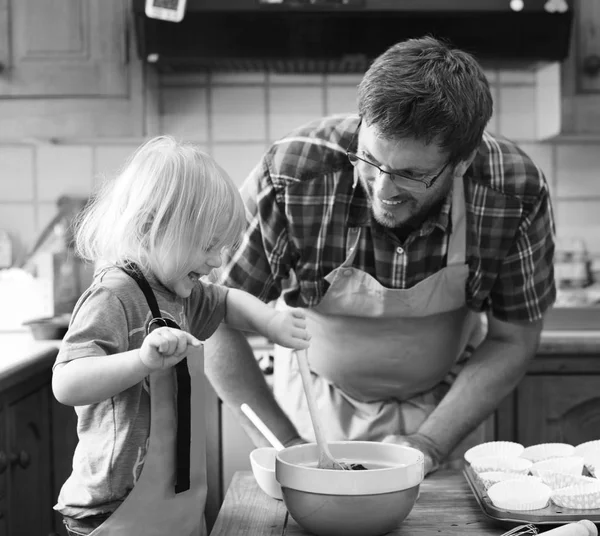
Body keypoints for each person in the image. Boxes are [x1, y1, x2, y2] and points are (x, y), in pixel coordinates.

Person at [204, 36, 556, 475]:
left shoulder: (511, 190)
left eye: (412, 174)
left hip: (448, 410)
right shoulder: (293, 177)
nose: (383, 190)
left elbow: (513, 339)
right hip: (316, 408)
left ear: (463, 161)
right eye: (369, 159)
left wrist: (430, 441)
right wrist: (290, 447)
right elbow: (215, 320)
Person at [51, 136, 310, 536]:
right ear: (149, 227)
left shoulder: (178, 293)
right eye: (207, 245)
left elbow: (226, 301)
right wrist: (141, 361)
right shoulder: (113, 296)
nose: (217, 260)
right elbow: (66, 383)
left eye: (221, 247)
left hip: (177, 502)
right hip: (114, 512)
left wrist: (271, 324)